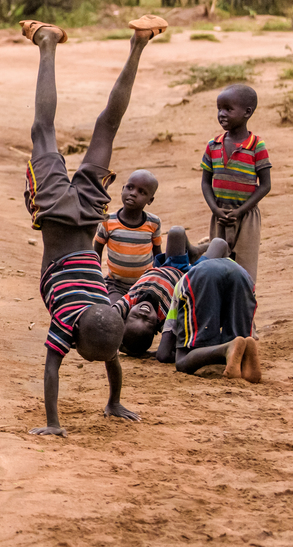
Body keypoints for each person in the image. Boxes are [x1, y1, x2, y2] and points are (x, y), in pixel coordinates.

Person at [19, 13, 166, 435]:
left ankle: (139, 42)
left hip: (87, 214)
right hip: (52, 212)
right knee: (42, 130)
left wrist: (114, 400)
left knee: (107, 127)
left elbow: (110, 359)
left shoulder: (107, 316)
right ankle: (46, 42)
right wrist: (54, 424)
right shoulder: (71, 322)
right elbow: (55, 370)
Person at [156, 237, 259, 382]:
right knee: (240, 342)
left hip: (201, 279)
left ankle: (227, 348)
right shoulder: (216, 265)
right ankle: (241, 356)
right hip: (241, 274)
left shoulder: (183, 284)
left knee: (182, 360)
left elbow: (163, 353)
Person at [199, 83, 272, 283]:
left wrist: (240, 211)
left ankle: (243, 310)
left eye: (228, 109)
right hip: (220, 216)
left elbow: (265, 185)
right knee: (217, 266)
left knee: (244, 270)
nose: (221, 114)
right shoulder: (213, 145)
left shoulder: (257, 145)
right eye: (219, 109)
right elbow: (206, 182)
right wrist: (215, 209)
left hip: (246, 217)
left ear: (247, 112)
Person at [115, 226, 194, 357]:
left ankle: (193, 252)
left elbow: (111, 315)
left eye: (135, 316)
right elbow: (170, 343)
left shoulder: (130, 301)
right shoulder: (165, 317)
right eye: (147, 320)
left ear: (127, 314)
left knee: (176, 232)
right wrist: (149, 354)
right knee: (219, 245)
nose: (143, 313)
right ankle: (194, 257)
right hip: (187, 274)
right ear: (157, 325)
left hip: (164, 265)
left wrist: (119, 346)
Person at [93, 170, 163, 297]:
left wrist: (158, 281)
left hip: (145, 284)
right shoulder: (108, 221)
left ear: (150, 200)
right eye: (130, 188)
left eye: (142, 192)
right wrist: (97, 280)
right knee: (114, 312)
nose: (133, 194)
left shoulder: (154, 223)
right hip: (116, 285)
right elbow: (96, 252)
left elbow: (158, 255)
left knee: (149, 312)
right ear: (123, 189)